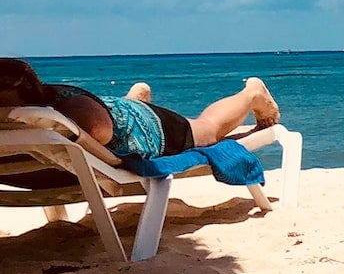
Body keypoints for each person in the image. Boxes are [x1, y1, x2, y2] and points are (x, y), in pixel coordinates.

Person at [0, 59, 280, 161]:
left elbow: (99, 129)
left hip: (144, 127)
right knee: (119, 111)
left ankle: (251, 93)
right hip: (114, 112)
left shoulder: (63, 107)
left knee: (207, 129)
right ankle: (134, 99)